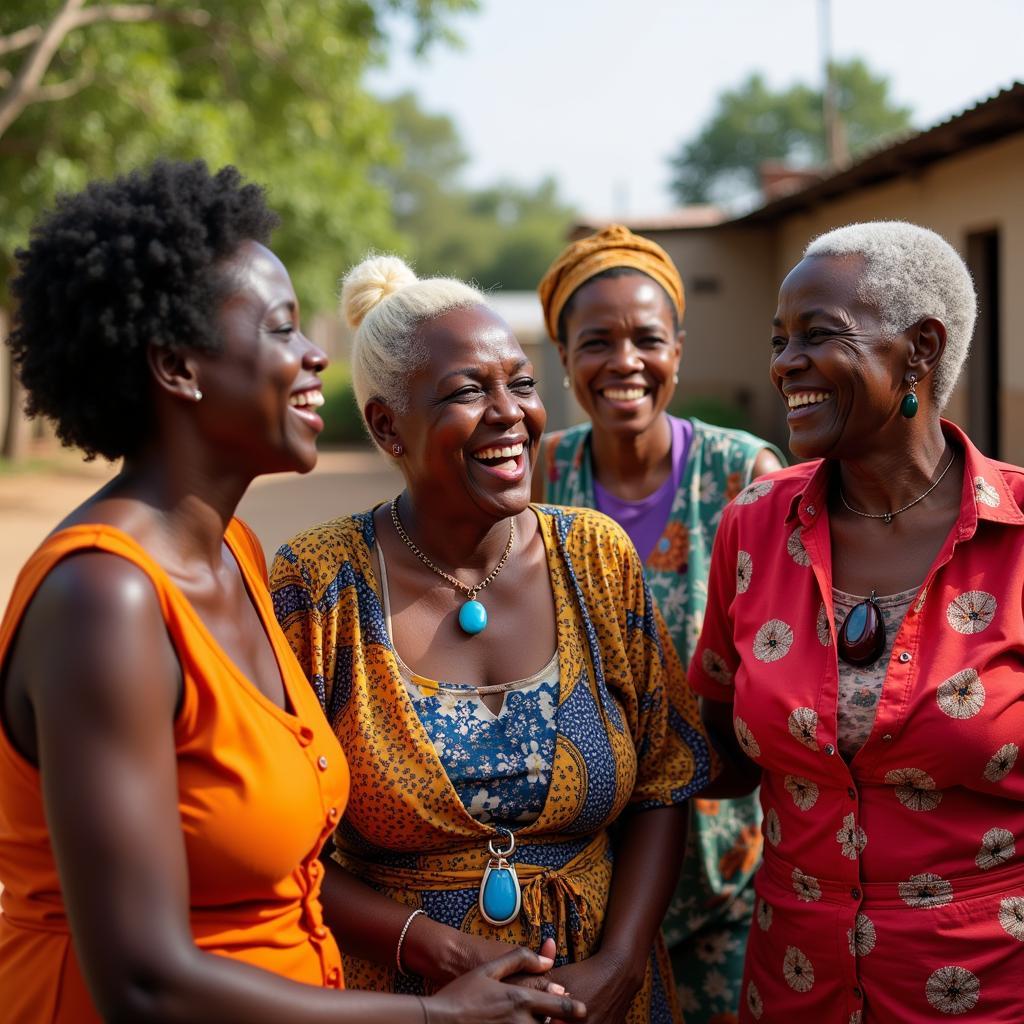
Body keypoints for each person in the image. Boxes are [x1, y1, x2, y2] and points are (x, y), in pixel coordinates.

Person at [0, 161, 584, 1024]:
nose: (317, 352)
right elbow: (144, 981)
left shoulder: (233, 552)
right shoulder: (106, 600)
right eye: (281, 329)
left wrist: (438, 946)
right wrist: (439, 1017)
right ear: (175, 365)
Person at [270, 253, 717, 1023]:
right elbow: (284, 839)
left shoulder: (596, 558)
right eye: (468, 391)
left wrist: (616, 965)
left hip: (603, 999)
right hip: (410, 1000)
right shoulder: (320, 584)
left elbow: (661, 781)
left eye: (521, 382)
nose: (510, 411)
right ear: (386, 426)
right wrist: (439, 952)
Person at [689, 221, 1024, 1022]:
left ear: (920, 348)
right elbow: (720, 748)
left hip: (989, 985)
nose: (784, 364)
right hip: (795, 980)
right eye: (779, 340)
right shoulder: (755, 524)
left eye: (818, 335)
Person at [534, 224, 783, 1021]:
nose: (624, 362)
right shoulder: (540, 473)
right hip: (584, 859)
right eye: (595, 341)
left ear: (678, 345)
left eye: (647, 338)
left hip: (724, 857)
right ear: (564, 355)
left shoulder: (746, 475)